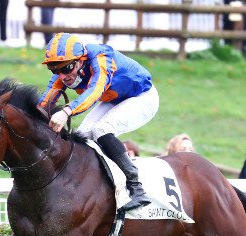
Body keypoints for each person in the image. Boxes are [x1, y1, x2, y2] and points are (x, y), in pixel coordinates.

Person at [38, 33, 159, 211]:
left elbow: (95, 91)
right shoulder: (64, 71)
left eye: (67, 68)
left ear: (80, 60)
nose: (62, 76)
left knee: (101, 130)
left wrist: (66, 111)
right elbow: (44, 103)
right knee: (82, 137)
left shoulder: (101, 58)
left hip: (142, 97)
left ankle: (137, 188)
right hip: (114, 99)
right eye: (55, 70)